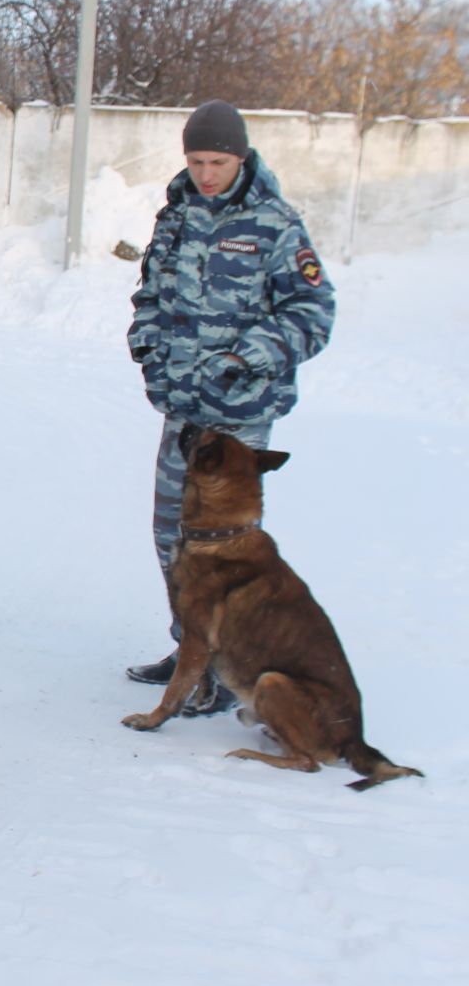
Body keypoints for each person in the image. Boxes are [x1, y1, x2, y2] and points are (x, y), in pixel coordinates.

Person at [124, 100, 335, 713]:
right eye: (196, 161)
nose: (206, 173)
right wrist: (147, 346)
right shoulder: (177, 218)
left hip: (240, 415)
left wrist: (247, 355)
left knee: (227, 549)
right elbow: (151, 294)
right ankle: (192, 652)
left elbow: (313, 315)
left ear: (240, 158)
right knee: (172, 537)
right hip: (184, 408)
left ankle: (225, 665)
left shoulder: (275, 223)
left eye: (218, 161)